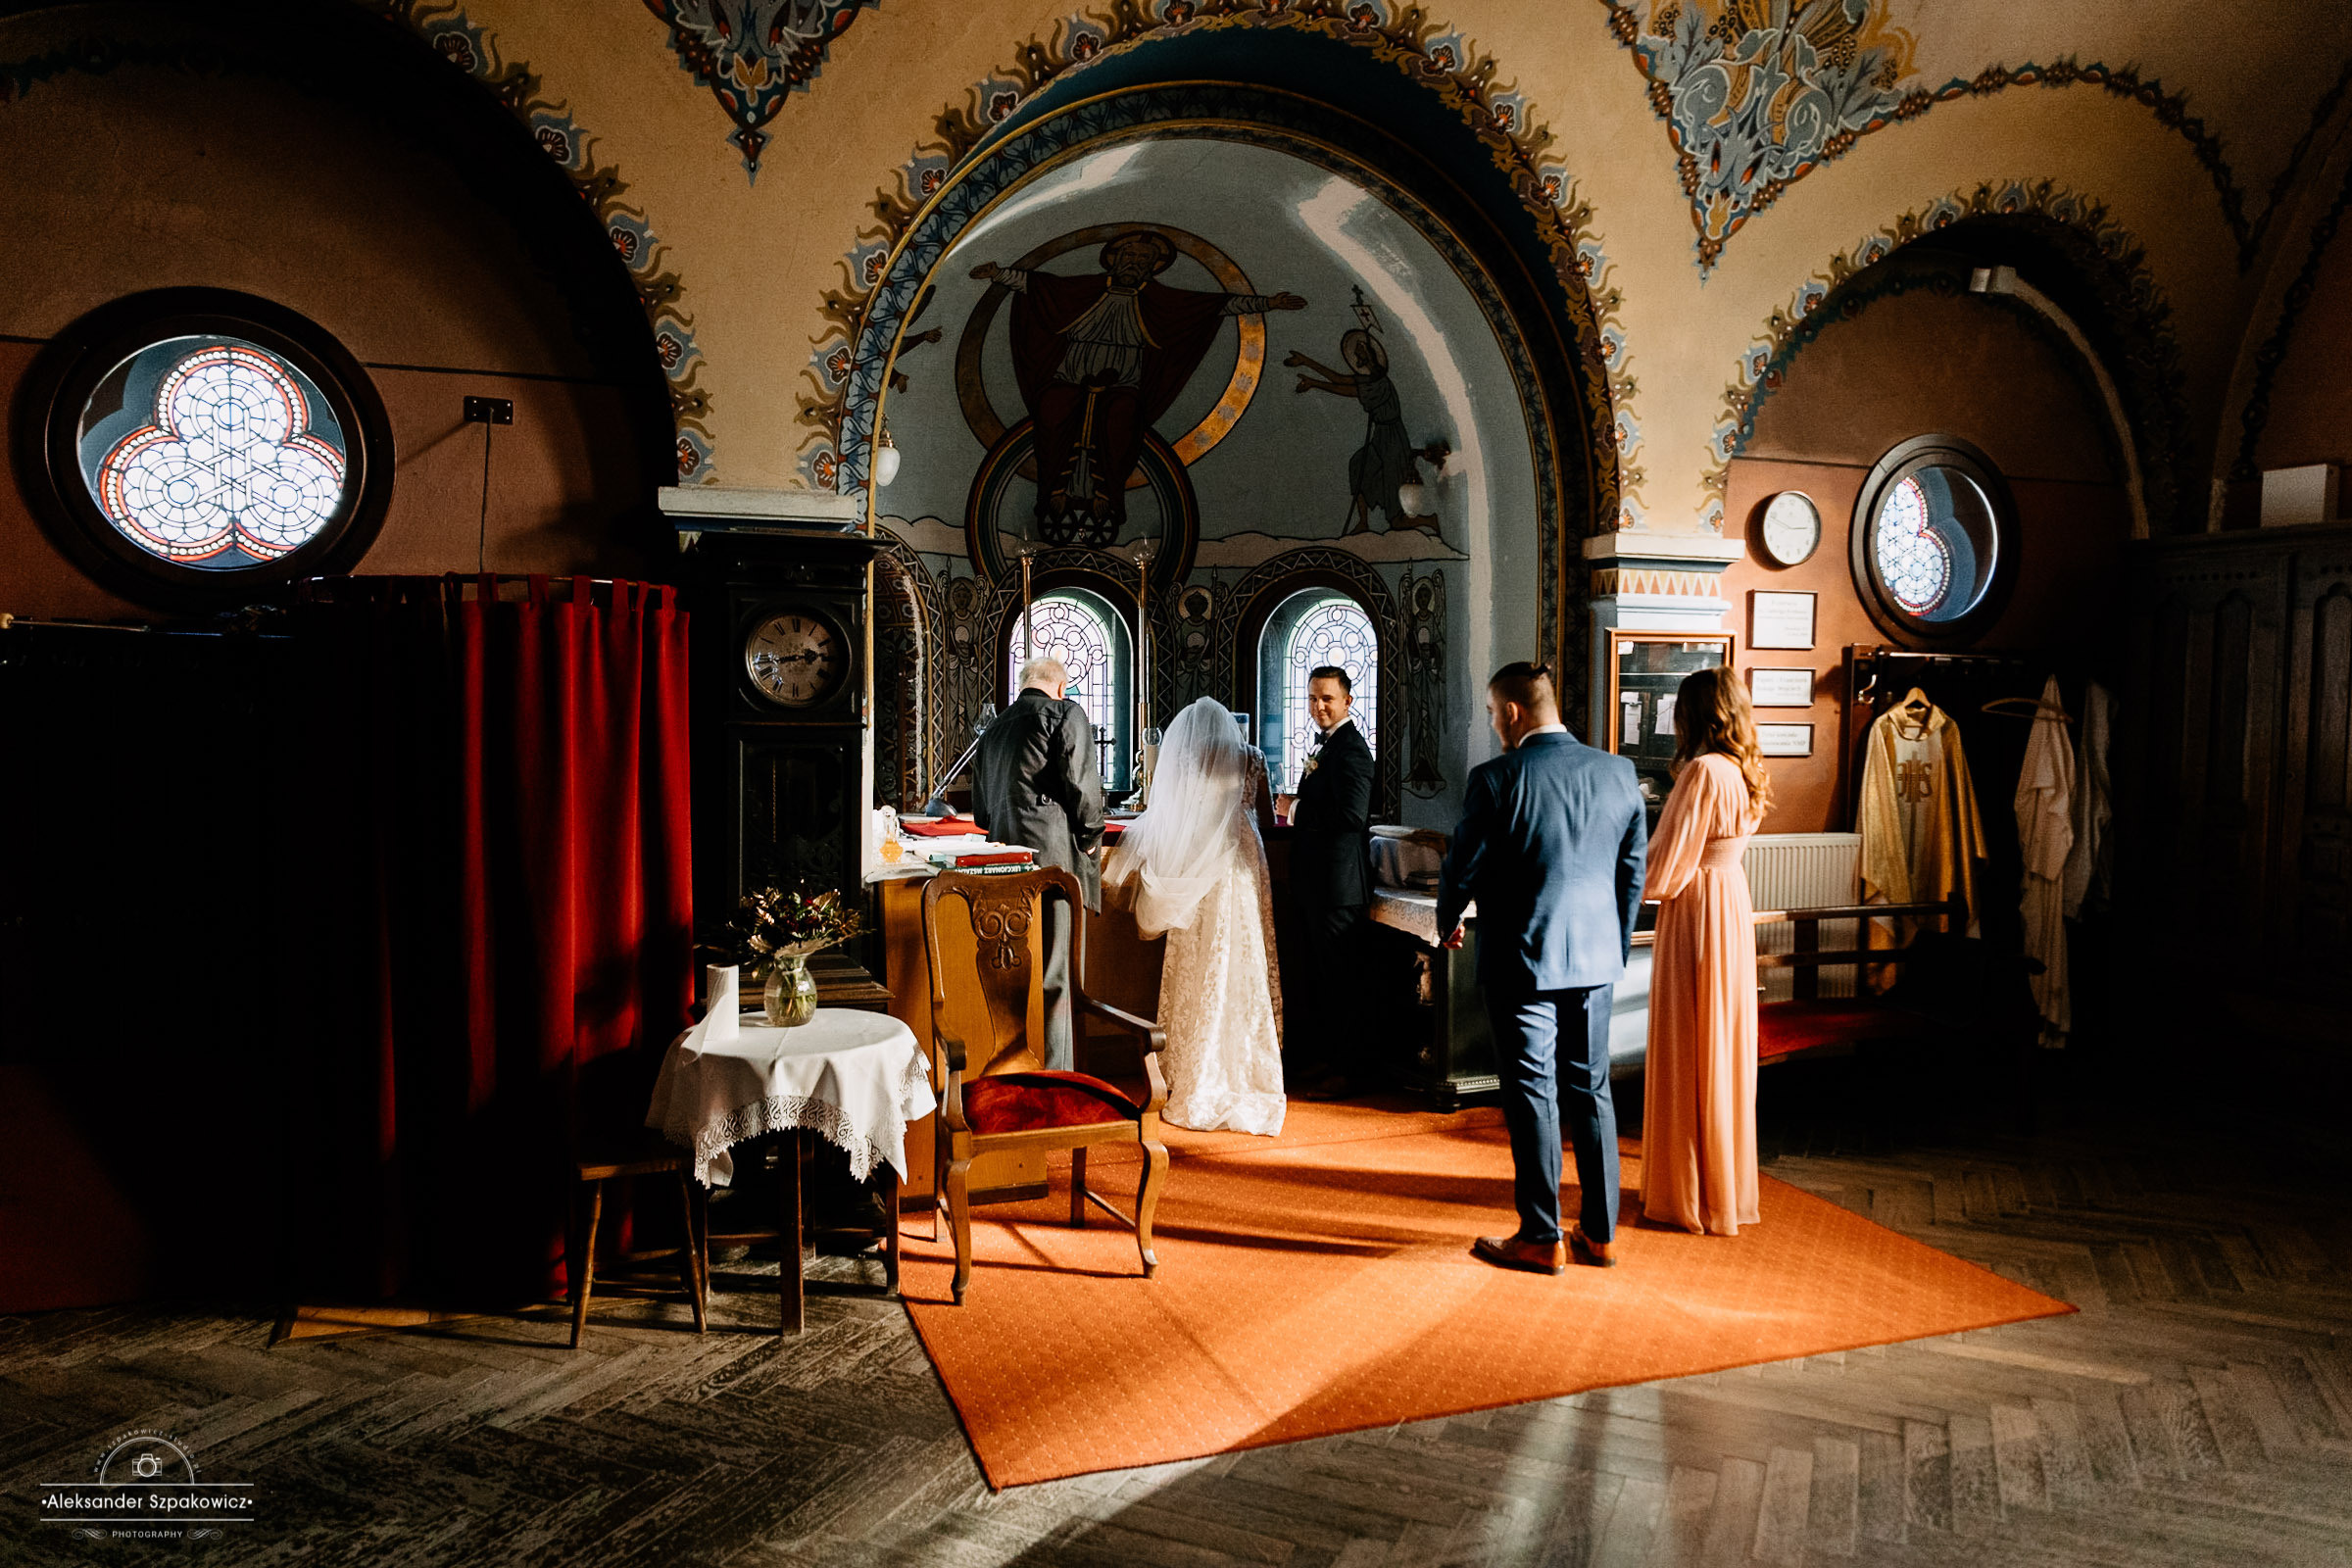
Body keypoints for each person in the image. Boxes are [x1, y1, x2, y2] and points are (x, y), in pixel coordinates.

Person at [1438, 662, 1646, 1272]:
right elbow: (1631, 872)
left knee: (1533, 1093)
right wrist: (1614, 940)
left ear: (1509, 712)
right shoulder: (1618, 772)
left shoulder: (1497, 777)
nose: (1491, 724)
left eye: (1488, 713)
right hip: (1597, 958)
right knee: (1592, 1090)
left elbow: (1463, 865)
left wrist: (1447, 918)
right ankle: (1601, 1233)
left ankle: (1540, 1235)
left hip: (1522, 957)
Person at [1104, 698, 1285, 1134]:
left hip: (1203, 862)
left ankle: (1192, 1067)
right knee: (1242, 956)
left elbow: (1172, 813)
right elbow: (1264, 814)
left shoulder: (1189, 756)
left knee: (1202, 957)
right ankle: (1245, 1068)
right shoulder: (1252, 757)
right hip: (1242, 858)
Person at [1641, 665, 1770, 1235]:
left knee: (1689, 1043)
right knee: (1721, 1044)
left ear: (1694, 714)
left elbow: (1665, 867)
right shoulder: (1745, 769)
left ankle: (1687, 1192)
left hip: (1695, 911)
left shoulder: (1701, 772)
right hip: (1730, 905)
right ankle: (1724, 1186)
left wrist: (1625, 876)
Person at [970, 656, 1106, 1070]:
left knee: (1008, 975)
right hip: (1053, 862)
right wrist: (1091, 839)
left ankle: (1012, 1071)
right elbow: (1083, 787)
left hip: (1001, 863)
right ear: (1060, 687)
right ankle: (1058, 1077)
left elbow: (980, 814)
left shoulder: (993, 729)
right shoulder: (1065, 713)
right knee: (1056, 975)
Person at [1275, 665, 1374, 1098]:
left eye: (1327, 699)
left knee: (1341, 982)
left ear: (1348, 701)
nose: (1319, 706)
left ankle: (1349, 1071)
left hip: (1339, 888)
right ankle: (1327, 1059)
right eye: (1313, 698)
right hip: (1318, 884)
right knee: (1320, 978)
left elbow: (1352, 817)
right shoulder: (1329, 748)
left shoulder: (1352, 751)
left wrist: (1293, 810)